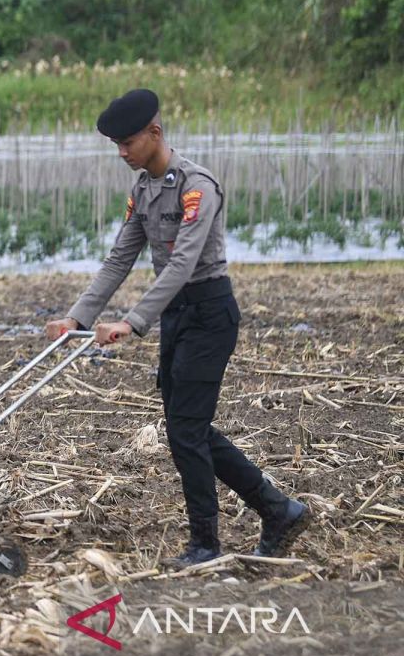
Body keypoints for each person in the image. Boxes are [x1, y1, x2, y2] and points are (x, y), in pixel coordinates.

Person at [44, 89, 310, 567]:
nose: (122, 153)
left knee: (186, 432)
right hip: (178, 318)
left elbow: (182, 263)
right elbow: (119, 259)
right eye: (116, 146)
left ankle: (206, 544)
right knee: (189, 429)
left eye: (127, 143)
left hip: (210, 314)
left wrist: (131, 321)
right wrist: (76, 318)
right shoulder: (143, 191)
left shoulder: (197, 186)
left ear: (155, 133)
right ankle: (277, 509)